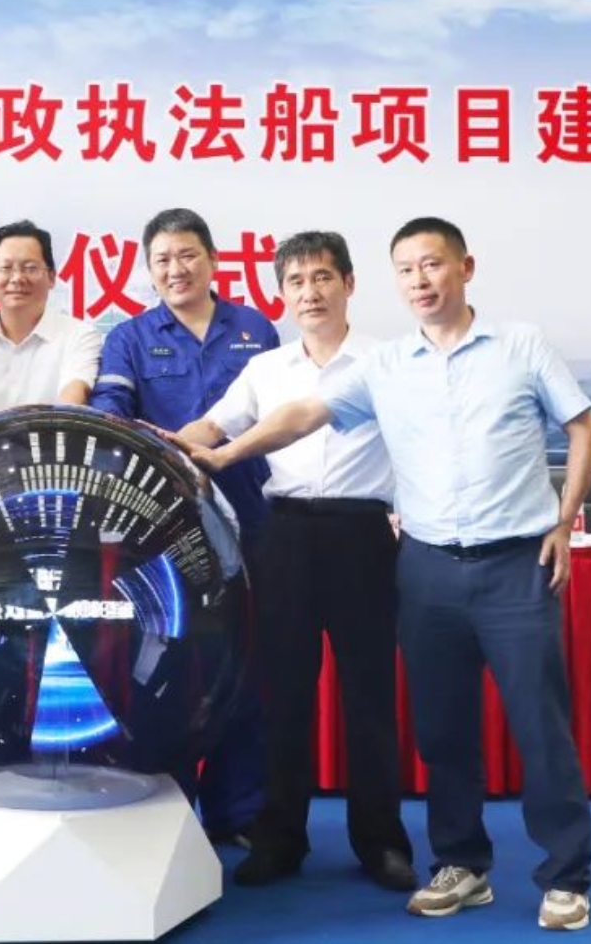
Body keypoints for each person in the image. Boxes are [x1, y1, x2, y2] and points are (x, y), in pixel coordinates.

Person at [172, 216, 591, 932]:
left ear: (463, 267)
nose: (420, 280)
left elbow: (582, 425)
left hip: (452, 554)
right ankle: (432, 860)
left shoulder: (477, 349)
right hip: (366, 554)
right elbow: (293, 416)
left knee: (513, 721)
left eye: (431, 265)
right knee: (411, 724)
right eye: (408, 269)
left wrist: (564, 520)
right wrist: (208, 452)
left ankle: (541, 871)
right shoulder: (340, 366)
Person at [175, 231, 415, 892]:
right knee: (282, 697)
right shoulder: (267, 368)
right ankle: (280, 837)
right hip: (283, 535)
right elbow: (213, 427)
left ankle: (381, 842)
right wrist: (166, 443)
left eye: (323, 278)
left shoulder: (389, 361)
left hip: (363, 534)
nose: (310, 293)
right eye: (297, 282)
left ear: (349, 284)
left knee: (369, 696)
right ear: (281, 293)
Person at [89, 207, 276, 845]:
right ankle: (166, 808)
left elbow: (278, 413)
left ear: (214, 260)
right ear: (148, 271)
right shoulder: (130, 337)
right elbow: (112, 411)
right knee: (167, 664)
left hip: (249, 519)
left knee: (244, 667)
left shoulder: (254, 329)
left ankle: (238, 812)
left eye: (188, 255)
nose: (177, 269)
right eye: (163, 260)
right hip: (163, 532)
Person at [0, 218, 102, 419]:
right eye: (6, 268)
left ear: (51, 277)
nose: (17, 278)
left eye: (30, 268)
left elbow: (72, 398)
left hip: (55, 439)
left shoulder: (79, 336)